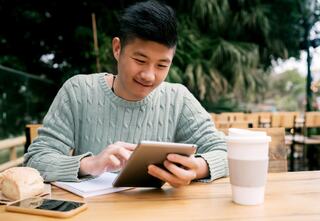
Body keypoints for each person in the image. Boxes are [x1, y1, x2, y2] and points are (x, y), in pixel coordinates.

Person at [24, 0, 228, 187]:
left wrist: (198, 168)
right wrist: (91, 164)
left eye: (162, 65)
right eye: (140, 60)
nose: (149, 75)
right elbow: (36, 159)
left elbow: (225, 152)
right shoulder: (78, 91)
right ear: (117, 48)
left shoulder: (178, 98)